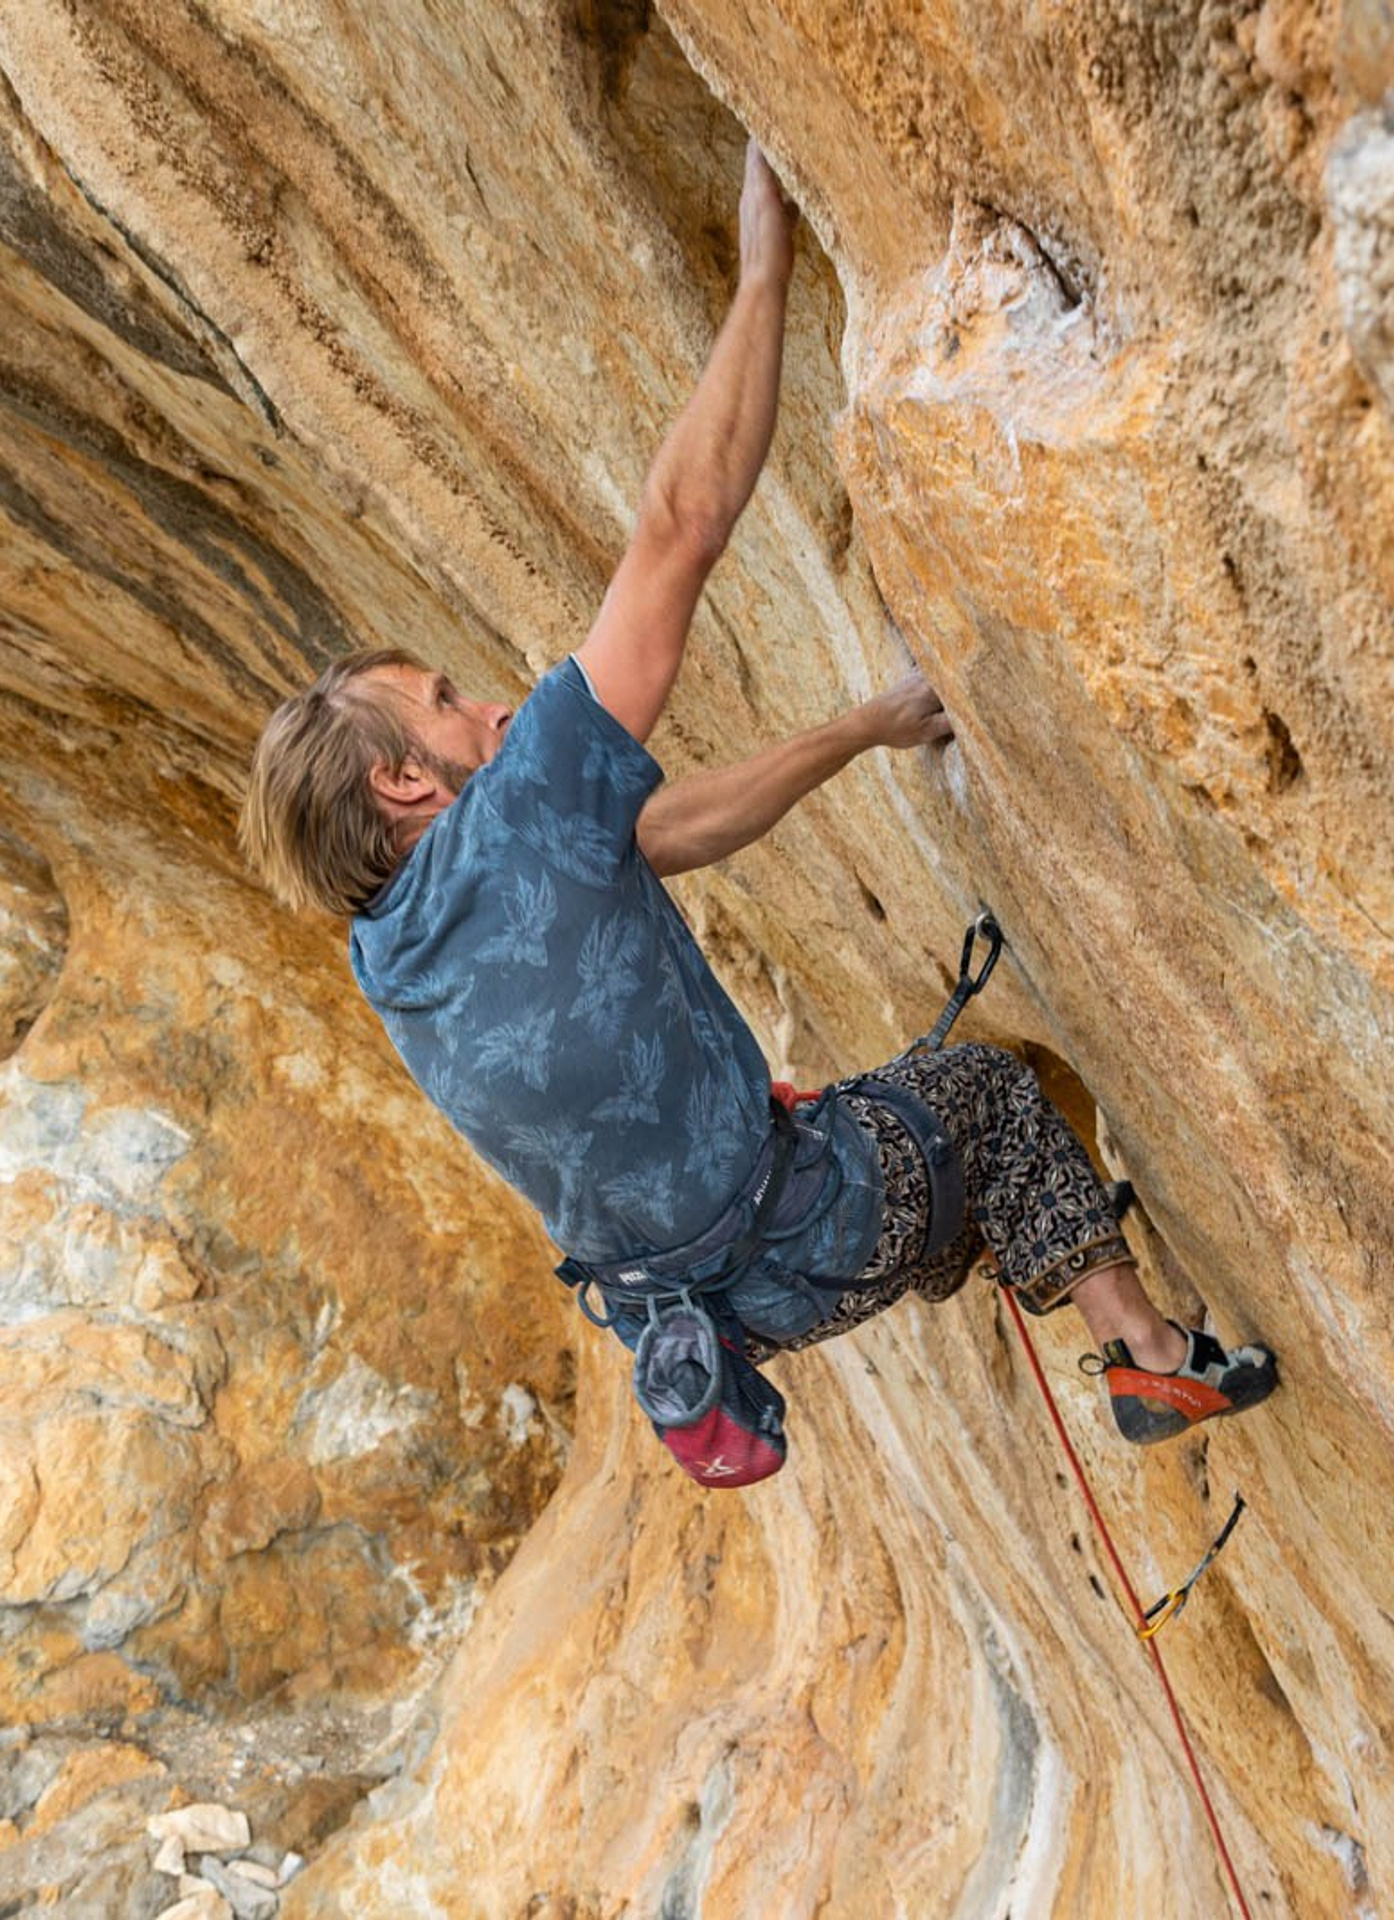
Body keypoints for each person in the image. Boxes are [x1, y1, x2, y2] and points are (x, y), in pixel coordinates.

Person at [239, 142, 1276, 1479]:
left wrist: (859, 726)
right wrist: (763, 267)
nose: (490, 710)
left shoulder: (392, 958)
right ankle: (1147, 1355)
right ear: (401, 781)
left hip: (726, 1320)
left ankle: (1030, 1270)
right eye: (446, 704)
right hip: (820, 1219)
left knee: (909, 1139)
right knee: (989, 1100)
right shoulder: (526, 804)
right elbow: (682, 523)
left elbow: (664, 838)